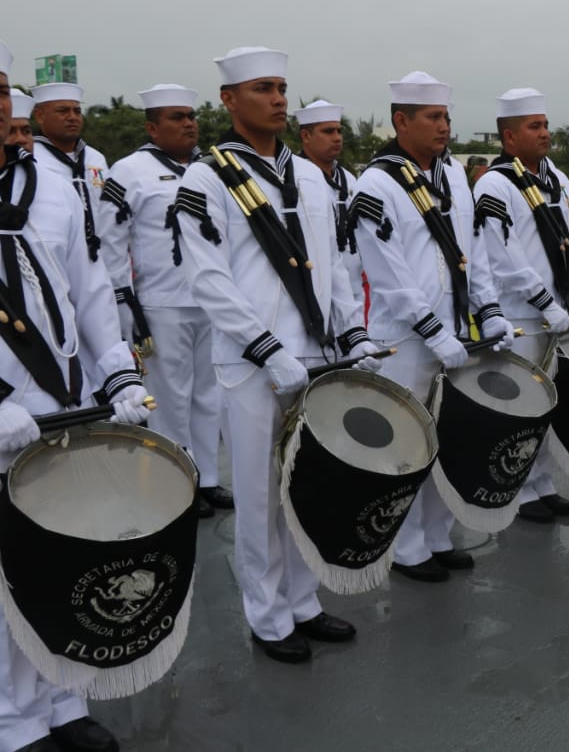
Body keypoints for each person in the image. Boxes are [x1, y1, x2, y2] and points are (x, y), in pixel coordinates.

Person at [171, 46, 381, 664]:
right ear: (229, 99)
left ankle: (304, 600)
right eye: (263, 88)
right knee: (262, 494)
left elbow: (334, 265)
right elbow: (208, 279)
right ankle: (267, 616)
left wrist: (352, 332)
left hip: (316, 357)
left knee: (307, 485)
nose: (279, 99)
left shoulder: (310, 176)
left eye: (282, 87)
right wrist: (265, 347)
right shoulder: (206, 178)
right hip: (254, 365)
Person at [0, 40, 149, 752]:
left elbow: (86, 288)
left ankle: (64, 699)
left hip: (66, 400)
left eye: (2, 89)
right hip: (4, 410)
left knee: (64, 554)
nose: (0, 104)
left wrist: (117, 372)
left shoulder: (49, 185)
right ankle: (12, 719)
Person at [350, 71, 513, 581]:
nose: (444, 126)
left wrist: (489, 310)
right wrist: (432, 330)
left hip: (457, 331)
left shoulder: (454, 176)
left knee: (449, 438)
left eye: (446, 116)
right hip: (406, 338)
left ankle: (437, 535)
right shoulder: (377, 182)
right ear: (401, 121)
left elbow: (472, 249)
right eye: (433, 117)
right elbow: (387, 270)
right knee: (406, 444)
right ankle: (404, 546)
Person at [98, 83, 232, 520]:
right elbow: (110, 240)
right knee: (170, 398)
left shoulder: (212, 167)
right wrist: (124, 301)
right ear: (152, 128)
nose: (189, 124)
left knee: (209, 395)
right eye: (177, 118)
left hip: (211, 299)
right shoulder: (128, 171)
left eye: (191, 116)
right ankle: (176, 481)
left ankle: (206, 478)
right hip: (160, 302)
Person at [473, 88, 569, 523]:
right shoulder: (495, 183)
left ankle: (541, 482)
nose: (545, 133)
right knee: (521, 407)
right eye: (534, 126)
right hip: (521, 313)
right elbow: (503, 255)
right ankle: (517, 490)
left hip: (557, 309)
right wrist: (543, 300)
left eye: (545, 124)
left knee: (548, 404)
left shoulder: (555, 177)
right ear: (509, 137)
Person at [30, 83, 110, 281]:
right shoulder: (32, 159)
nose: (72, 117)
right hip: (53, 262)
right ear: (40, 116)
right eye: (63, 111)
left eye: (77, 111)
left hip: (101, 261)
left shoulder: (96, 158)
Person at [294, 100, 363, 306]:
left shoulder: (348, 179)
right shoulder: (295, 178)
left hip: (354, 286)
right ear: (306, 136)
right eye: (328, 131)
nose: (337, 138)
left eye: (339, 131)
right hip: (316, 289)